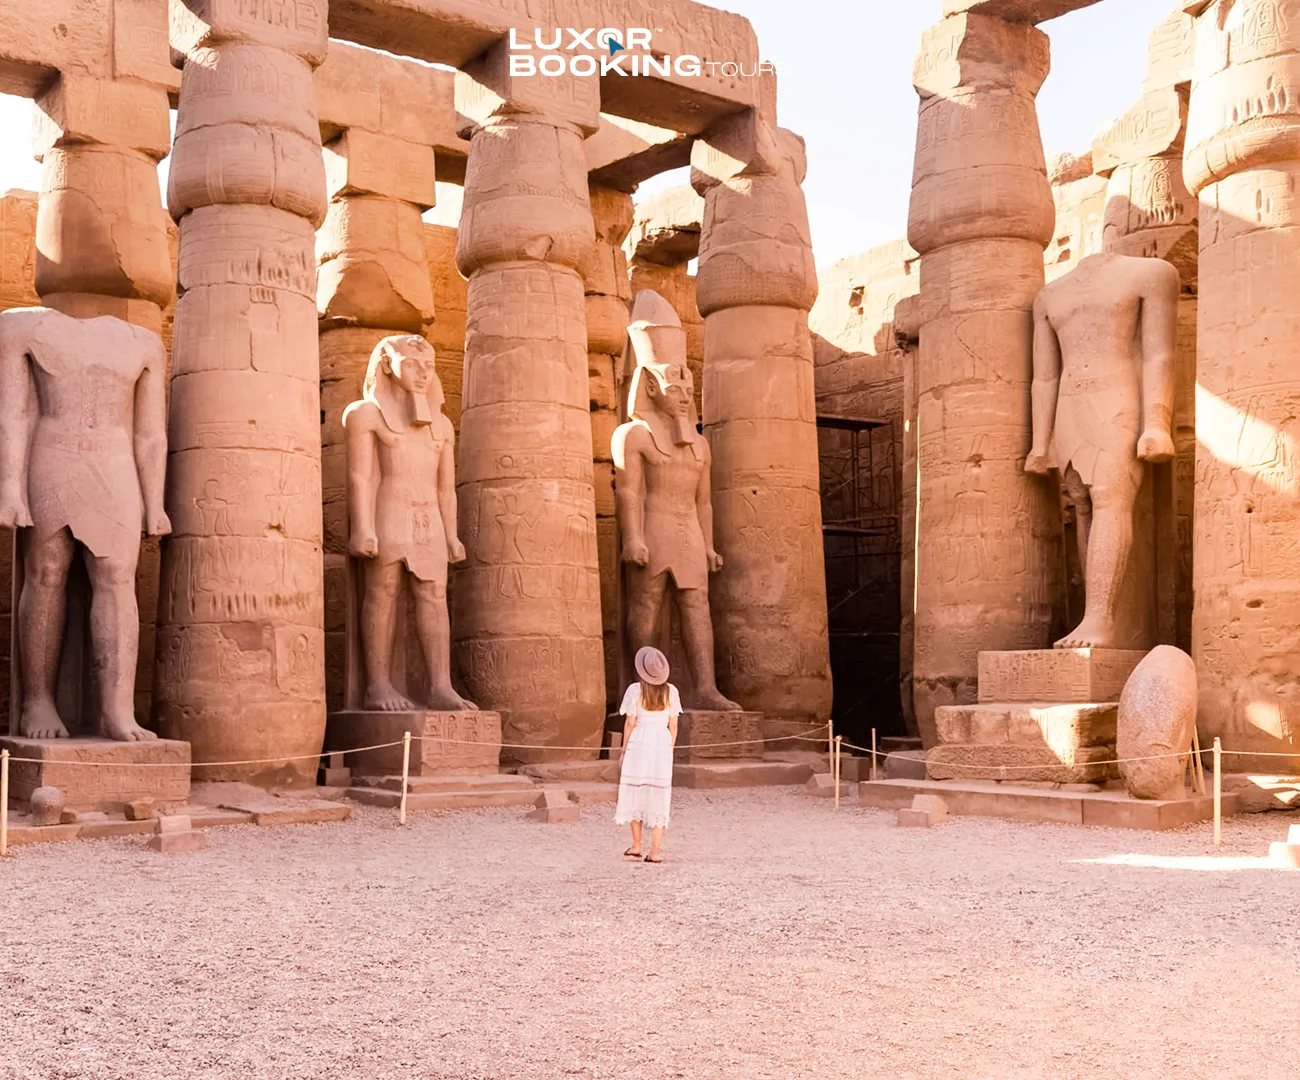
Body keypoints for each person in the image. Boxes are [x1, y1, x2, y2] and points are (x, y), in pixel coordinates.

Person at [615, 646, 681, 864]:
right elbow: (673, 725)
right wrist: (669, 749)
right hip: (661, 742)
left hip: (639, 740)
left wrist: (624, 750)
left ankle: (636, 845)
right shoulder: (671, 691)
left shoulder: (635, 690)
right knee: (660, 794)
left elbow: (630, 722)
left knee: (636, 789)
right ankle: (655, 850)